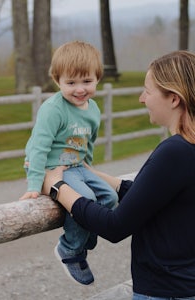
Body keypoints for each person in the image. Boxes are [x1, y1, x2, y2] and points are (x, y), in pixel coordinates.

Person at [43, 50, 195, 298]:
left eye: (148, 90)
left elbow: (115, 226)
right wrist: (89, 174)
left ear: (174, 99)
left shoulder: (175, 151)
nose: (141, 98)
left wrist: (58, 188)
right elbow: (148, 198)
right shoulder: (187, 149)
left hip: (165, 292)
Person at [20, 41, 118, 285]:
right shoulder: (53, 109)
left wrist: (90, 169)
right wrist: (34, 184)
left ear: (97, 78)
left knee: (109, 197)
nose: (79, 89)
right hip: (51, 167)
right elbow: (39, 147)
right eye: (71, 83)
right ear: (57, 81)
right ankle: (71, 249)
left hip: (77, 166)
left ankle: (86, 232)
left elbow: (88, 142)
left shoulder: (93, 109)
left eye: (86, 81)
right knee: (85, 199)